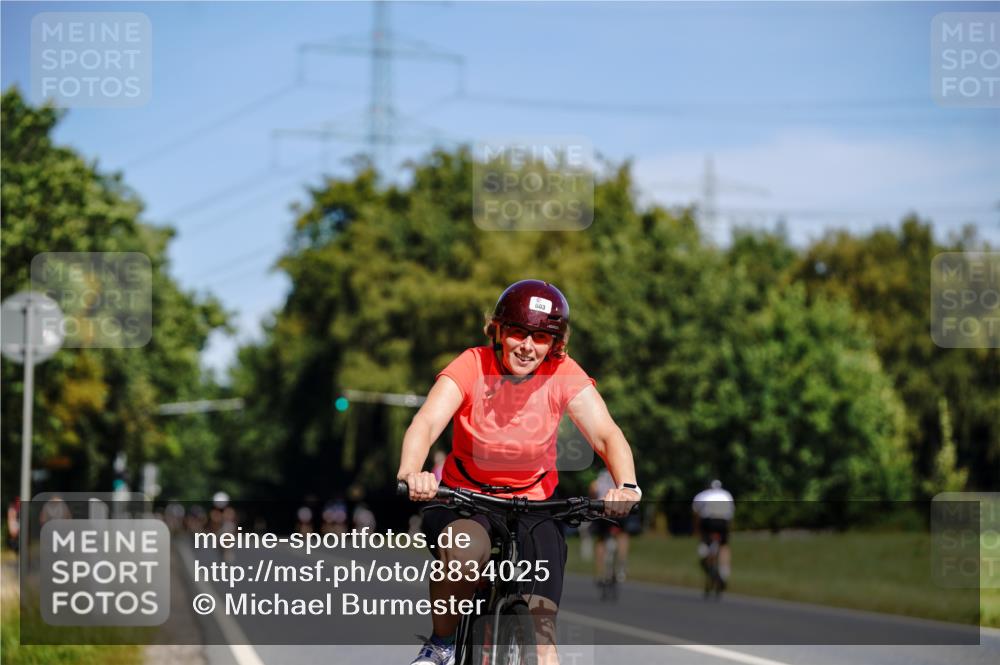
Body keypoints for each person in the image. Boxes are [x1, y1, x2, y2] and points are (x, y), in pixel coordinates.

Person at [397, 279, 641, 665]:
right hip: (466, 498)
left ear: (555, 345)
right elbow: (426, 422)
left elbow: (607, 434)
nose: (528, 346)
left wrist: (627, 486)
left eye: (542, 337)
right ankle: (440, 643)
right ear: (498, 331)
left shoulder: (563, 372)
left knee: (543, 637)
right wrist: (413, 472)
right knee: (465, 554)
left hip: (533, 505)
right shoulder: (473, 364)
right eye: (518, 332)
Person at [589, 468, 630, 586]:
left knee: (601, 539)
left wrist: (591, 502)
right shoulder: (624, 471)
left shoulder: (602, 474)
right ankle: (622, 565)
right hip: (619, 509)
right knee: (623, 535)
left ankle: (600, 573)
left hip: (603, 508)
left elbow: (593, 488)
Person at [692, 479, 735, 589]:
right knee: (724, 547)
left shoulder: (702, 495)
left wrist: (697, 531)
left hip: (709, 522)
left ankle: (706, 556)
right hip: (723, 523)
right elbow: (730, 515)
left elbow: (697, 514)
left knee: (705, 544)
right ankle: (724, 574)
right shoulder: (727, 495)